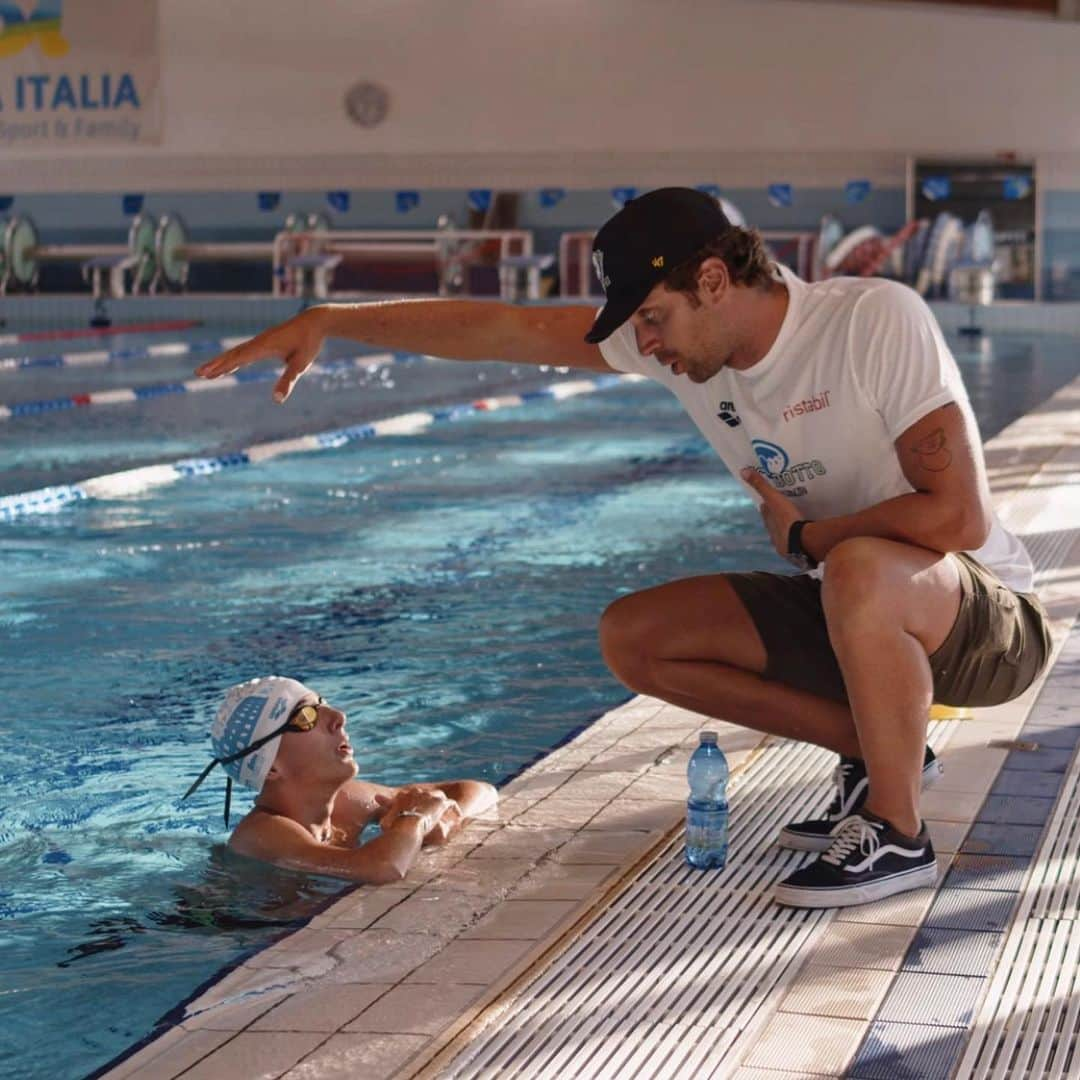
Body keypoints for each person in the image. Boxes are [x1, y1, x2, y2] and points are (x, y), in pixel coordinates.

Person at [195, 188, 1051, 909]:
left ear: (714, 280)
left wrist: (810, 536)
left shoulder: (869, 322)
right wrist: (334, 319)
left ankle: (898, 835)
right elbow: (505, 329)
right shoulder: (690, 357)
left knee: (857, 566)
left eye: (653, 317)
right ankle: (877, 752)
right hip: (857, 611)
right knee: (634, 635)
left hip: (987, 620)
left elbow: (959, 519)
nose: (644, 345)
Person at [183, 676, 498, 883]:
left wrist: (444, 815)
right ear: (271, 768)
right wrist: (416, 820)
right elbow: (382, 867)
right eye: (307, 717)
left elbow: (478, 791)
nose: (338, 718)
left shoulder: (348, 800)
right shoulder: (262, 834)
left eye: (323, 703)